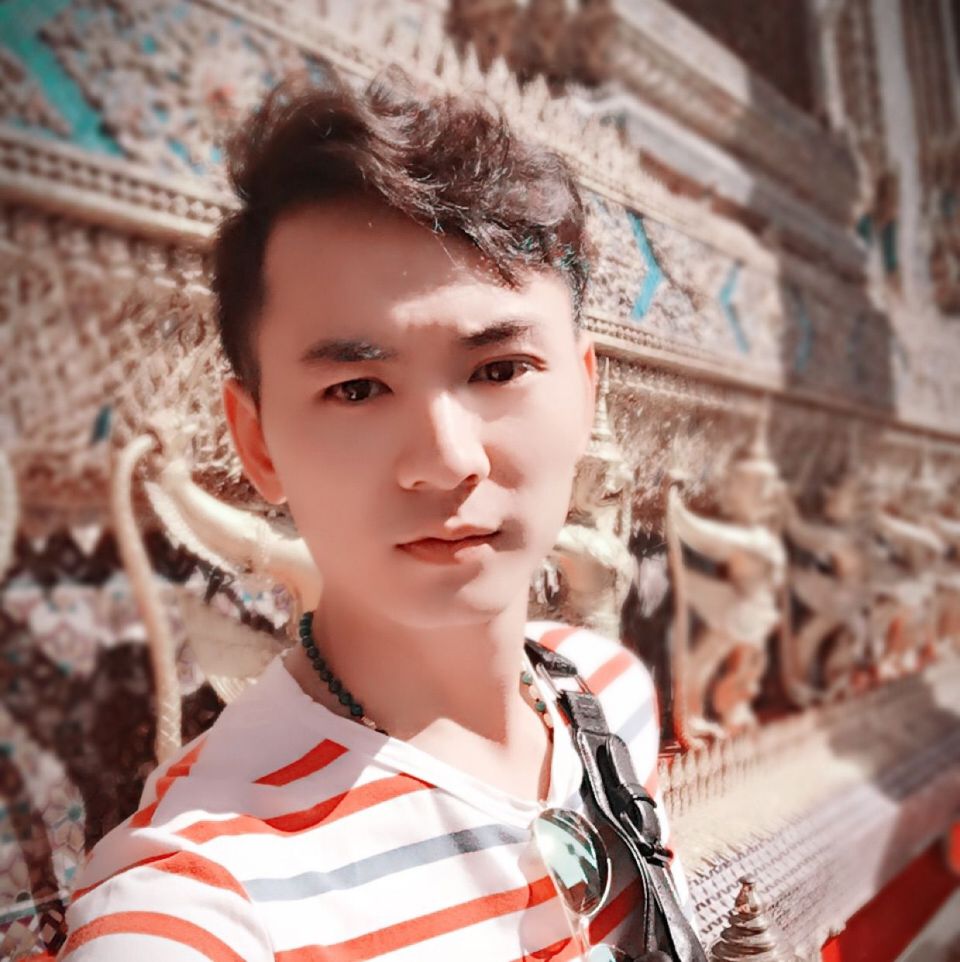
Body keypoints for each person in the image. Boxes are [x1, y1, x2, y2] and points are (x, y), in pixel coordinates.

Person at [59, 61, 696, 961]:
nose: (446, 460)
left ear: (586, 394)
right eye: (357, 389)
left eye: (499, 370)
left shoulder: (608, 696)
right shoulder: (211, 889)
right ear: (257, 442)